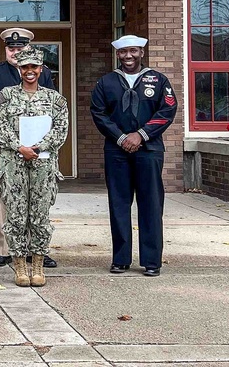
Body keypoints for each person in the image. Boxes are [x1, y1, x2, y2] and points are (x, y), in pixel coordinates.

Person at [90, 35, 178, 277]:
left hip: (149, 151)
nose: (128, 56)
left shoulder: (158, 80)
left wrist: (141, 135)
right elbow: (99, 114)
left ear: (141, 52)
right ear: (117, 55)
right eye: (123, 52)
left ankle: (151, 261)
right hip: (116, 152)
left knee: (150, 204)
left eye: (133, 51)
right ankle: (120, 259)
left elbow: (168, 110)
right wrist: (121, 138)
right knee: (119, 204)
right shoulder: (106, 82)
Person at [0, 46, 69, 288]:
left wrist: (39, 146)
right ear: (19, 69)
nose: (30, 71)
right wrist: (19, 147)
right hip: (14, 164)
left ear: (41, 68)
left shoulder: (55, 99)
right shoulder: (5, 96)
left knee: (40, 216)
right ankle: (20, 265)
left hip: (43, 165)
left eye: (34, 67)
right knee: (16, 216)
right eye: (25, 67)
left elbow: (61, 129)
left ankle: (37, 265)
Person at [0, 27, 57, 268]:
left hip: (38, 146)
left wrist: (37, 141)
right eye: (12, 48)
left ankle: (36, 250)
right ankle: (3, 249)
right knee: (4, 197)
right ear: (6, 49)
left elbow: (52, 105)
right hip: (5, 145)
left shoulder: (42, 73)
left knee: (38, 198)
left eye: (20, 47)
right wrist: (12, 139)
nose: (16, 52)